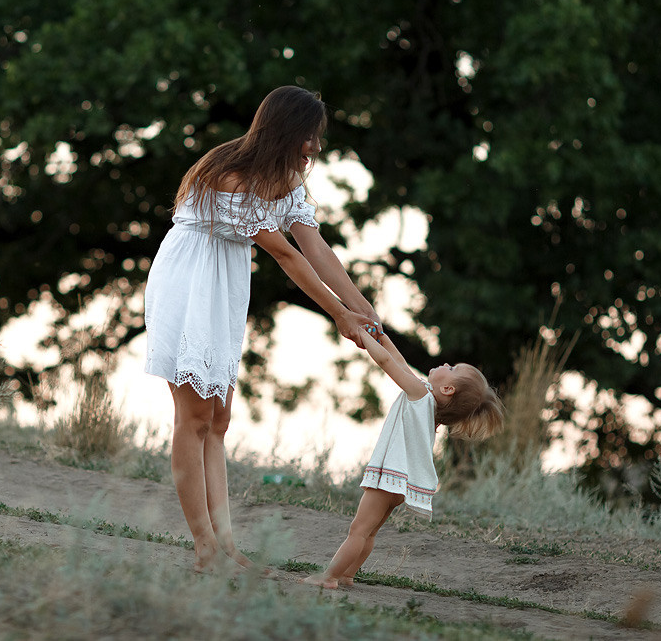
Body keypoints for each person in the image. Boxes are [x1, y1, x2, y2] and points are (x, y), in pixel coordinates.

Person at [143, 85, 382, 573]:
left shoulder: (287, 180)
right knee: (192, 417)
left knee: (219, 420)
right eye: (312, 136)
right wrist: (338, 315)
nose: (316, 147)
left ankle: (225, 543)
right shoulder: (231, 176)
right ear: (290, 132)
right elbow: (286, 255)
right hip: (189, 282)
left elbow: (313, 246)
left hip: (224, 283)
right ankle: (205, 546)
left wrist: (365, 310)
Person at [304, 327, 504, 589]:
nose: (445, 363)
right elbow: (399, 361)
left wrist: (362, 337)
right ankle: (347, 574)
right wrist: (382, 337)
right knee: (370, 531)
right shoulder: (426, 400)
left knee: (358, 530)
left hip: (389, 478)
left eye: (452, 368)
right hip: (399, 484)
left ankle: (329, 577)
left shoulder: (420, 396)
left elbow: (388, 363)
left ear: (447, 388)